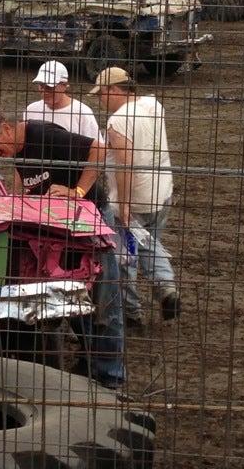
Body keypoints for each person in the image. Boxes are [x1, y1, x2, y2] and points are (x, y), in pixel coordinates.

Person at [0, 111, 126, 389]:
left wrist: (77, 191)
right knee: (77, 299)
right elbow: (22, 185)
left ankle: (111, 377)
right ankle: (90, 363)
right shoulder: (18, 151)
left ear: (6, 129)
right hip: (64, 228)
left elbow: (100, 149)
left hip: (92, 221)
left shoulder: (44, 135)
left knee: (105, 299)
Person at [90, 66, 181, 325]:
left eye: (102, 94)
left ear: (116, 90)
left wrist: (124, 204)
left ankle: (137, 306)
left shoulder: (119, 121)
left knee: (128, 255)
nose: (101, 99)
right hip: (161, 193)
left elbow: (125, 164)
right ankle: (160, 291)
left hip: (135, 201)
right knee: (147, 244)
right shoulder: (154, 105)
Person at [23, 60, 100, 140]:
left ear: (64, 85)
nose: (45, 92)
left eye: (50, 87)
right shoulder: (31, 110)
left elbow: (98, 148)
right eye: (41, 86)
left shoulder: (82, 113)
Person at [167, 0, 202, 73]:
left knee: (188, 37)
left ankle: (186, 64)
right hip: (190, 12)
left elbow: (182, 11)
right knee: (191, 37)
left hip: (192, 13)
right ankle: (195, 59)